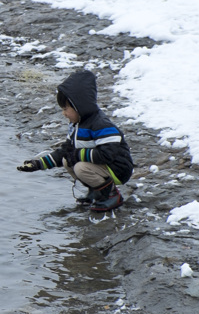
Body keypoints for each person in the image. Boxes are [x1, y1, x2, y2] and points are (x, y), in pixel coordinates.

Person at [17, 69, 134, 212]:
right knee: (68, 160)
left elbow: (107, 154)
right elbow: (65, 152)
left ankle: (110, 195)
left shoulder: (101, 125)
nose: (63, 113)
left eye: (66, 108)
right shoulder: (77, 126)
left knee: (80, 167)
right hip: (102, 167)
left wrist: (78, 155)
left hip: (118, 169)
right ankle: (95, 192)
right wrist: (38, 164)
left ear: (79, 105)